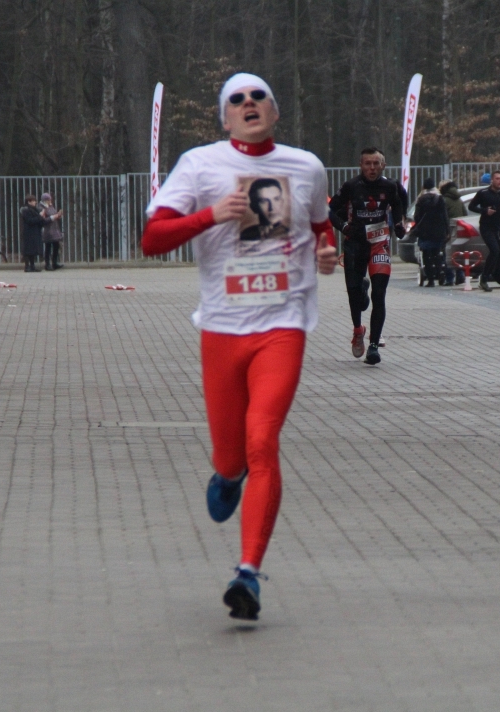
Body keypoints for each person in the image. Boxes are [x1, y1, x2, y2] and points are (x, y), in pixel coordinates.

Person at [140, 72, 338, 621]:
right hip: (223, 330)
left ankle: (248, 572)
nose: (249, 104)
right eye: (237, 99)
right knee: (232, 457)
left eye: (259, 98)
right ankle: (226, 475)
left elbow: (321, 226)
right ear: (225, 116)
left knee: (262, 441)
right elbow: (151, 240)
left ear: (274, 112)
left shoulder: (306, 166)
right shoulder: (200, 165)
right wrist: (212, 214)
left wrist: (326, 253)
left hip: (283, 324)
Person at [329, 147, 405, 365]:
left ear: (383, 165)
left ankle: (373, 346)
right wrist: (344, 227)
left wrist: (399, 224)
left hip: (379, 243)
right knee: (355, 295)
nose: (372, 168)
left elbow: (398, 204)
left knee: (379, 293)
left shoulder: (390, 186)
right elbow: (329, 211)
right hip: (355, 244)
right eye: (368, 164)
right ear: (361, 165)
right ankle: (358, 329)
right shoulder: (351, 186)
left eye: (376, 164)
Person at [467, 170, 500, 292]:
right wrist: (484, 211)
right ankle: (484, 279)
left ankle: (491, 274)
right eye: (497, 179)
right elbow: (471, 206)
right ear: (492, 180)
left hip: (499, 228)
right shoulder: (484, 193)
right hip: (486, 227)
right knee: (494, 250)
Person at [413, 177, 449, 287]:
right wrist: (447, 230)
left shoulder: (421, 199)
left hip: (425, 231)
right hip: (438, 231)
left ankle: (431, 279)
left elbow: (417, 216)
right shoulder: (440, 198)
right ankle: (440, 274)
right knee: (437, 254)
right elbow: (445, 216)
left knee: (426, 255)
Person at [440, 179, 467, 284]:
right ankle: (460, 275)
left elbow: (443, 217)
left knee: (447, 254)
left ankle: (449, 278)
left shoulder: (444, 200)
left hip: (448, 230)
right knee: (458, 253)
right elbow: (465, 214)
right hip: (459, 229)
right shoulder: (459, 200)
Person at [19, 195, 50, 272]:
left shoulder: (35, 210)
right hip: (28, 232)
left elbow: (39, 221)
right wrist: (40, 216)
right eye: (33, 201)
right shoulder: (26, 210)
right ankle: (27, 266)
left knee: (33, 250)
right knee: (28, 250)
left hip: (35, 232)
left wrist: (43, 218)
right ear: (29, 202)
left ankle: (32, 266)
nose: (35, 202)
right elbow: (30, 221)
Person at [38, 192, 65, 271]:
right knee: (48, 247)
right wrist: (54, 216)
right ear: (45, 200)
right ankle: (47, 264)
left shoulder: (50, 206)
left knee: (56, 246)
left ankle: (54, 262)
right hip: (47, 230)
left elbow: (54, 214)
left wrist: (58, 215)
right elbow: (43, 220)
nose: (50, 201)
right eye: (48, 199)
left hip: (54, 229)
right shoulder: (41, 207)